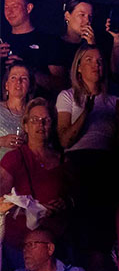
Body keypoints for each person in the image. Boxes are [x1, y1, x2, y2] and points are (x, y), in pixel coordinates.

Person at [0, 98, 68, 250]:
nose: (40, 124)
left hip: (56, 241)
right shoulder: (15, 158)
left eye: (46, 120)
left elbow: (76, 195)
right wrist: (34, 208)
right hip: (22, 243)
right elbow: (1, 198)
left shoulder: (63, 160)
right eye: (34, 120)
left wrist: (66, 203)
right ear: (25, 125)